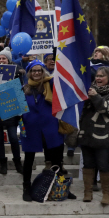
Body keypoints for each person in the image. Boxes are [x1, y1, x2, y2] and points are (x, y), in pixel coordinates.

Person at [20, 61, 66, 202]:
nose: (37, 73)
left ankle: (61, 186)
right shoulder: (23, 89)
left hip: (50, 128)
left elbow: (61, 83)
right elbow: (16, 110)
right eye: (34, 70)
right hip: (31, 128)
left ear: (43, 71)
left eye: (40, 70)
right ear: (29, 73)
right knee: (28, 160)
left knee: (57, 160)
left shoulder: (51, 84)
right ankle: (26, 188)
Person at [78, 67, 109, 205]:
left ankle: (106, 193)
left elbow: (107, 109)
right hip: (86, 134)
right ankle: (87, 192)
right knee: (88, 164)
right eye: (97, 76)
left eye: (102, 76)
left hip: (103, 136)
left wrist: (95, 96)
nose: (98, 78)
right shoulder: (88, 90)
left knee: (103, 164)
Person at [0, 48, 23, 175]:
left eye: (4, 58)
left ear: (9, 60)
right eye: (0, 58)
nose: (1, 60)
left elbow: (20, 91)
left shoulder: (16, 73)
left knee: (14, 139)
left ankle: (17, 162)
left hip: (11, 109)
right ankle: (2, 163)